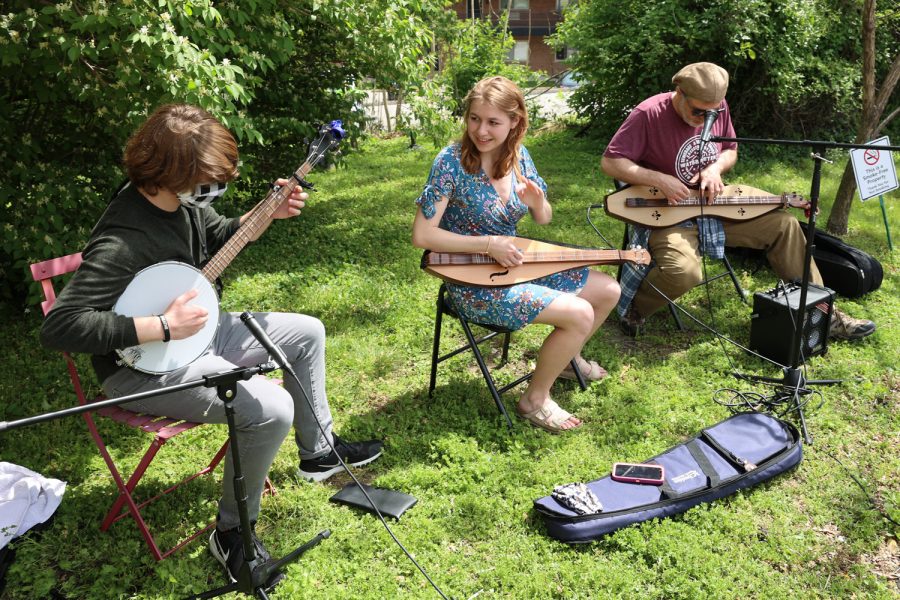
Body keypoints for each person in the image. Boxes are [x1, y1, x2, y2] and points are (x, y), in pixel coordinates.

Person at [40, 104, 383, 587]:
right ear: (168, 171)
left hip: (195, 333)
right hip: (141, 368)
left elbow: (220, 236)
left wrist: (266, 213)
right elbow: (61, 326)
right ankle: (231, 535)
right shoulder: (123, 239)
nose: (215, 188)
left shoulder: (184, 202)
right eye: (206, 179)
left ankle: (319, 453)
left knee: (307, 331)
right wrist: (161, 325)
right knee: (270, 407)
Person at [601, 62, 875, 341]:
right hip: (667, 212)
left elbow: (730, 149)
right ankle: (635, 307)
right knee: (684, 273)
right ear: (679, 93)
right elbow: (611, 162)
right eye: (698, 111)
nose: (705, 118)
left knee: (785, 226)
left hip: (717, 206)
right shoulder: (648, 113)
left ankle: (820, 313)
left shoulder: (716, 108)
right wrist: (659, 180)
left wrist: (715, 168)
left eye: (713, 112)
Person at [412, 76, 621, 434]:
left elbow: (544, 217)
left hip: (513, 264)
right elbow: (423, 235)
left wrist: (539, 203)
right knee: (579, 312)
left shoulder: (519, 156)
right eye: (475, 118)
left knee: (608, 291)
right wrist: (488, 244)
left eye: (493, 122)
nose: (481, 130)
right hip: (472, 281)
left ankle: (568, 361)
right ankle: (534, 400)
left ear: (515, 122)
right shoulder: (450, 162)